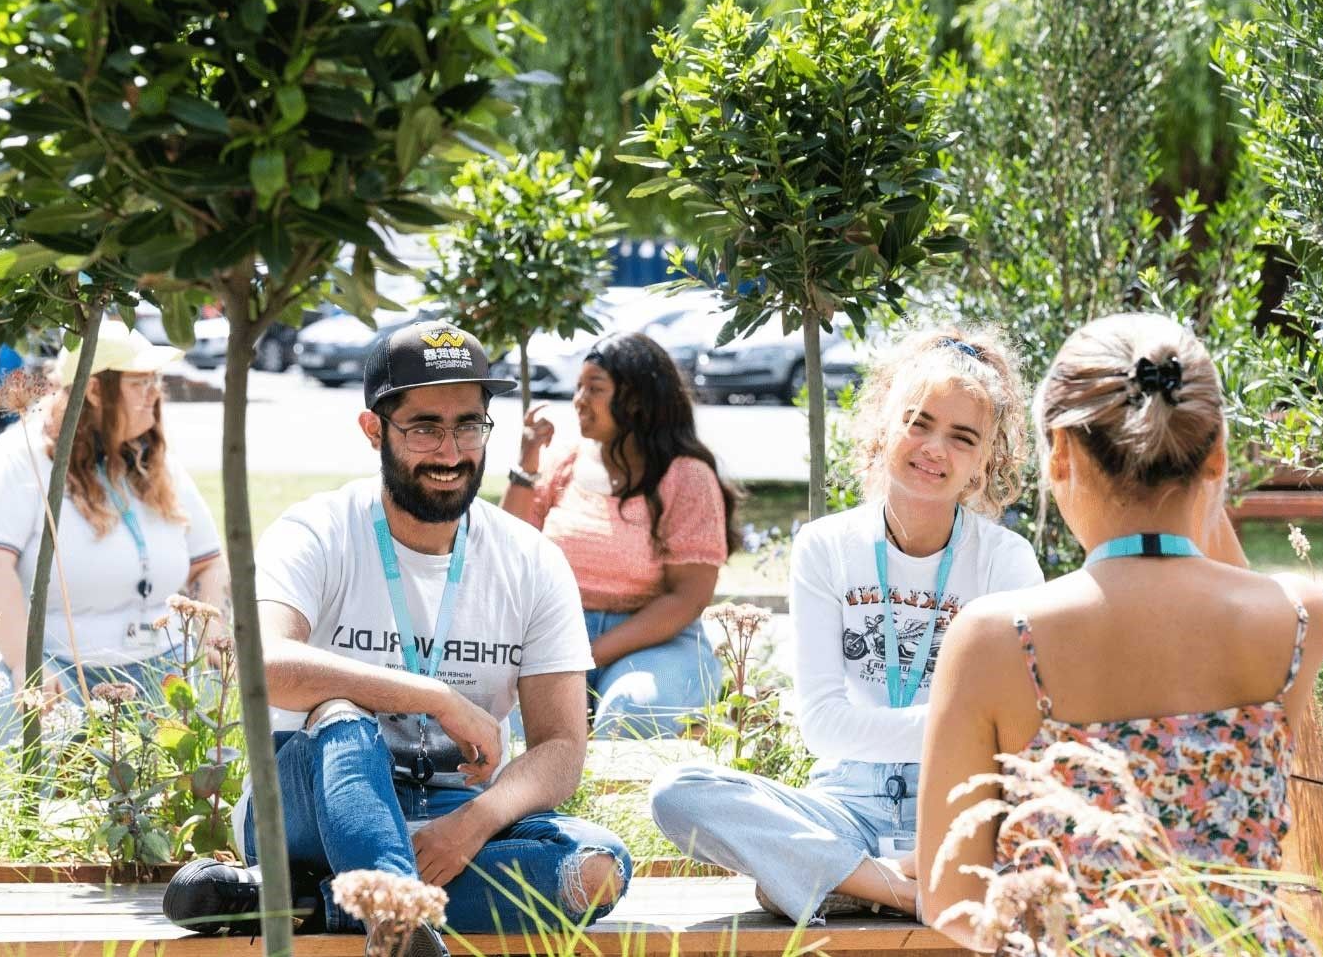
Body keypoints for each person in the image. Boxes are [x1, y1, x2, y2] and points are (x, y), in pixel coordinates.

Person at [162, 320, 630, 955]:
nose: (450, 451)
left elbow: (562, 747)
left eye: (468, 424)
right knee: (339, 708)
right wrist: (433, 695)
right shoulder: (317, 529)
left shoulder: (530, 558)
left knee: (596, 872)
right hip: (315, 804)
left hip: (451, 818)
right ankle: (391, 912)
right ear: (373, 430)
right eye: (424, 427)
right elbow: (262, 664)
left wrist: (475, 823)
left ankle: (322, 901)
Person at [916, 313, 1323, 952]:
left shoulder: (999, 638)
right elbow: (1221, 580)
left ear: (1060, 454)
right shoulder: (1297, 619)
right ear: (1216, 457)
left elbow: (949, 899)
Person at [648, 327, 1045, 926]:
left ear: (988, 460)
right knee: (678, 793)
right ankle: (901, 888)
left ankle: (833, 877)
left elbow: (1019, 729)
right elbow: (824, 730)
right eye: (918, 422)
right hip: (844, 808)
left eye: (962, 438)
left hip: (958, 810)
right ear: (885, 423)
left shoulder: (1005, 560)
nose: (934, 448)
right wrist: (956, 726)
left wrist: (937, 737)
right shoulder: (824, 547)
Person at [0, 322, 229, 742]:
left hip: (153, 666)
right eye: (140, 382)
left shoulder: (153, 462)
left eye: (155, 380)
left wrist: (210, 637)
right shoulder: (21, 458)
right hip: (48, 666)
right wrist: (27, 663)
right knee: (18, 712)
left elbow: (207, 561)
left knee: (216, 725)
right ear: (94, 390)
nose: (156, 393)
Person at [501, 331, 738, 738]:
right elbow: (510, 549)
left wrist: (589, 656)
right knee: (512, 723)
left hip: (655, 643)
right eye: (577, 387)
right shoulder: (565, 464)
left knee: (630, 712)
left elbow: (688, 597)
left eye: (594, 389)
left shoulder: (686, 478)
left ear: (637, 399)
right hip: (559, 636)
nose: (578, 400)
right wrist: (526, 465)